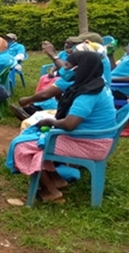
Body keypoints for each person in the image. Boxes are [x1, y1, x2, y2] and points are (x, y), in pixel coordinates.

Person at [6, 52, 116, 201]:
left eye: (67, 66)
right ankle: (57, 179)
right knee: (37, 139)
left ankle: (50, 191)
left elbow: (70, 124)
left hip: (90, 144)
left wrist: (49, 122)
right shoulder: (96, 83)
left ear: (80, 68)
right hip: (95, 138)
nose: (64, 69)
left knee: (23, 146)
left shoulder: (88, 93)